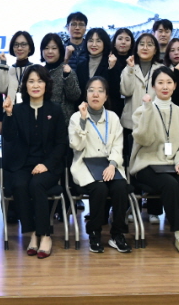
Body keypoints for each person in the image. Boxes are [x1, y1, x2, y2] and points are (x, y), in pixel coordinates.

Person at [129, 67, 179, 256]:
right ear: (153, 86)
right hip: (147, 164)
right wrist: (148, 110)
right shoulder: (141, 111)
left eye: (169, 82)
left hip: (173, 165)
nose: (165, 87)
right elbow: (144, 139)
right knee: (170, 184)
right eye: (160, 83)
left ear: (175, 86)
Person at [2, 65, 67, 258]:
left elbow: (61, 143)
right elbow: (8, 136)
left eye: (39, 81)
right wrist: (8, 114)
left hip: (48, 165)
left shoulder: (55, 110)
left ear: (46, 84)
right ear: (25, 86)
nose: (35, 85)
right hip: (23, 164)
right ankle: (32, 234)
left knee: (37, 184)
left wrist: (46, 164)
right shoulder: (18, 109)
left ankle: (45, 235)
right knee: (19, 184)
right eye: (31, 81)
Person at [68, 77, 131, 253]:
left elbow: (118, 146)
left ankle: (117, 234)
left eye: (100, 91)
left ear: (106, 96)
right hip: (85, 165)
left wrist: (112, 164)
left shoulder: (113, 117)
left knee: (121, 188)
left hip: (110, 165)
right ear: (86, 94)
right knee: (100, 188)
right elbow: (77, 146)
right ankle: (94, 232)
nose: (95, 94)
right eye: (91, 90)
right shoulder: (76, 117)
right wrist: (83, 120)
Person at [120, 33, 165, 220]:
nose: (145, 47)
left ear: (156, 49)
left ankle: (154, 210)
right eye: (142, 44)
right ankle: (134, 207)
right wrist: (130, 70)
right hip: (131, 124)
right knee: (133, 167)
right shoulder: (129, 67)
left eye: (150, 44)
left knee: (156, 164)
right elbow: (125, 91)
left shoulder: (161, 69)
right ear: (136, 48)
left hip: (155, 125)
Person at [40, 33, 81, 120]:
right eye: (46, 48)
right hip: (42, 120)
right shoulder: (39, 72)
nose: (50, 51)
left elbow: (75, 96)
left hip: (64, 122)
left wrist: (67, 76)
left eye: (54, 48)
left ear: (60, 50)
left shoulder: (67, 70)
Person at [75, 28, 114, 102]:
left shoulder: (111, 63)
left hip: (105, 107)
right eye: (90, 41)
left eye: (98, 41)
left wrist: (112, 69)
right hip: (84, 107)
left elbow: (115, 91)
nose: (94, 44)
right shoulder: (81, 66)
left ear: (105, 43)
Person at [0, 31, 35, 103]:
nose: (19, 48)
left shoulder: (35, 70)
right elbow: (1, 89)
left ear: (30, 48)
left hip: (30, 109)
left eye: (23, 44)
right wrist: (3, 64)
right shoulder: (8, 70)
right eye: (16, 45)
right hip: (10, 109)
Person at [108, 28, 134, 117]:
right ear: (114, 43)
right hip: (111, 105)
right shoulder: (107, 60)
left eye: (127, 39)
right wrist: (111, 67)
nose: (123, 42)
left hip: (130, 104)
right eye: (120, 39)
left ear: (131, 44)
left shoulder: (135, 62)